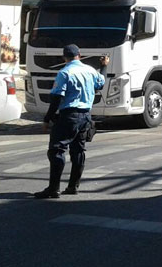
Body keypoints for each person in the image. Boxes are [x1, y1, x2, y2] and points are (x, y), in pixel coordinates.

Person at [34, 45, 108, 198]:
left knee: (56, 150)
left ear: (64, 58)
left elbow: (56, 97)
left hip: (69, 116)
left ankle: (53, 188)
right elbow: (101, 83)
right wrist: (103, 67)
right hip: (86, 116)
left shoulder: (64, 73)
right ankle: (73, 186)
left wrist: (47, 118)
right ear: (79, 55)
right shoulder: (90, 70)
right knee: (78, 151)